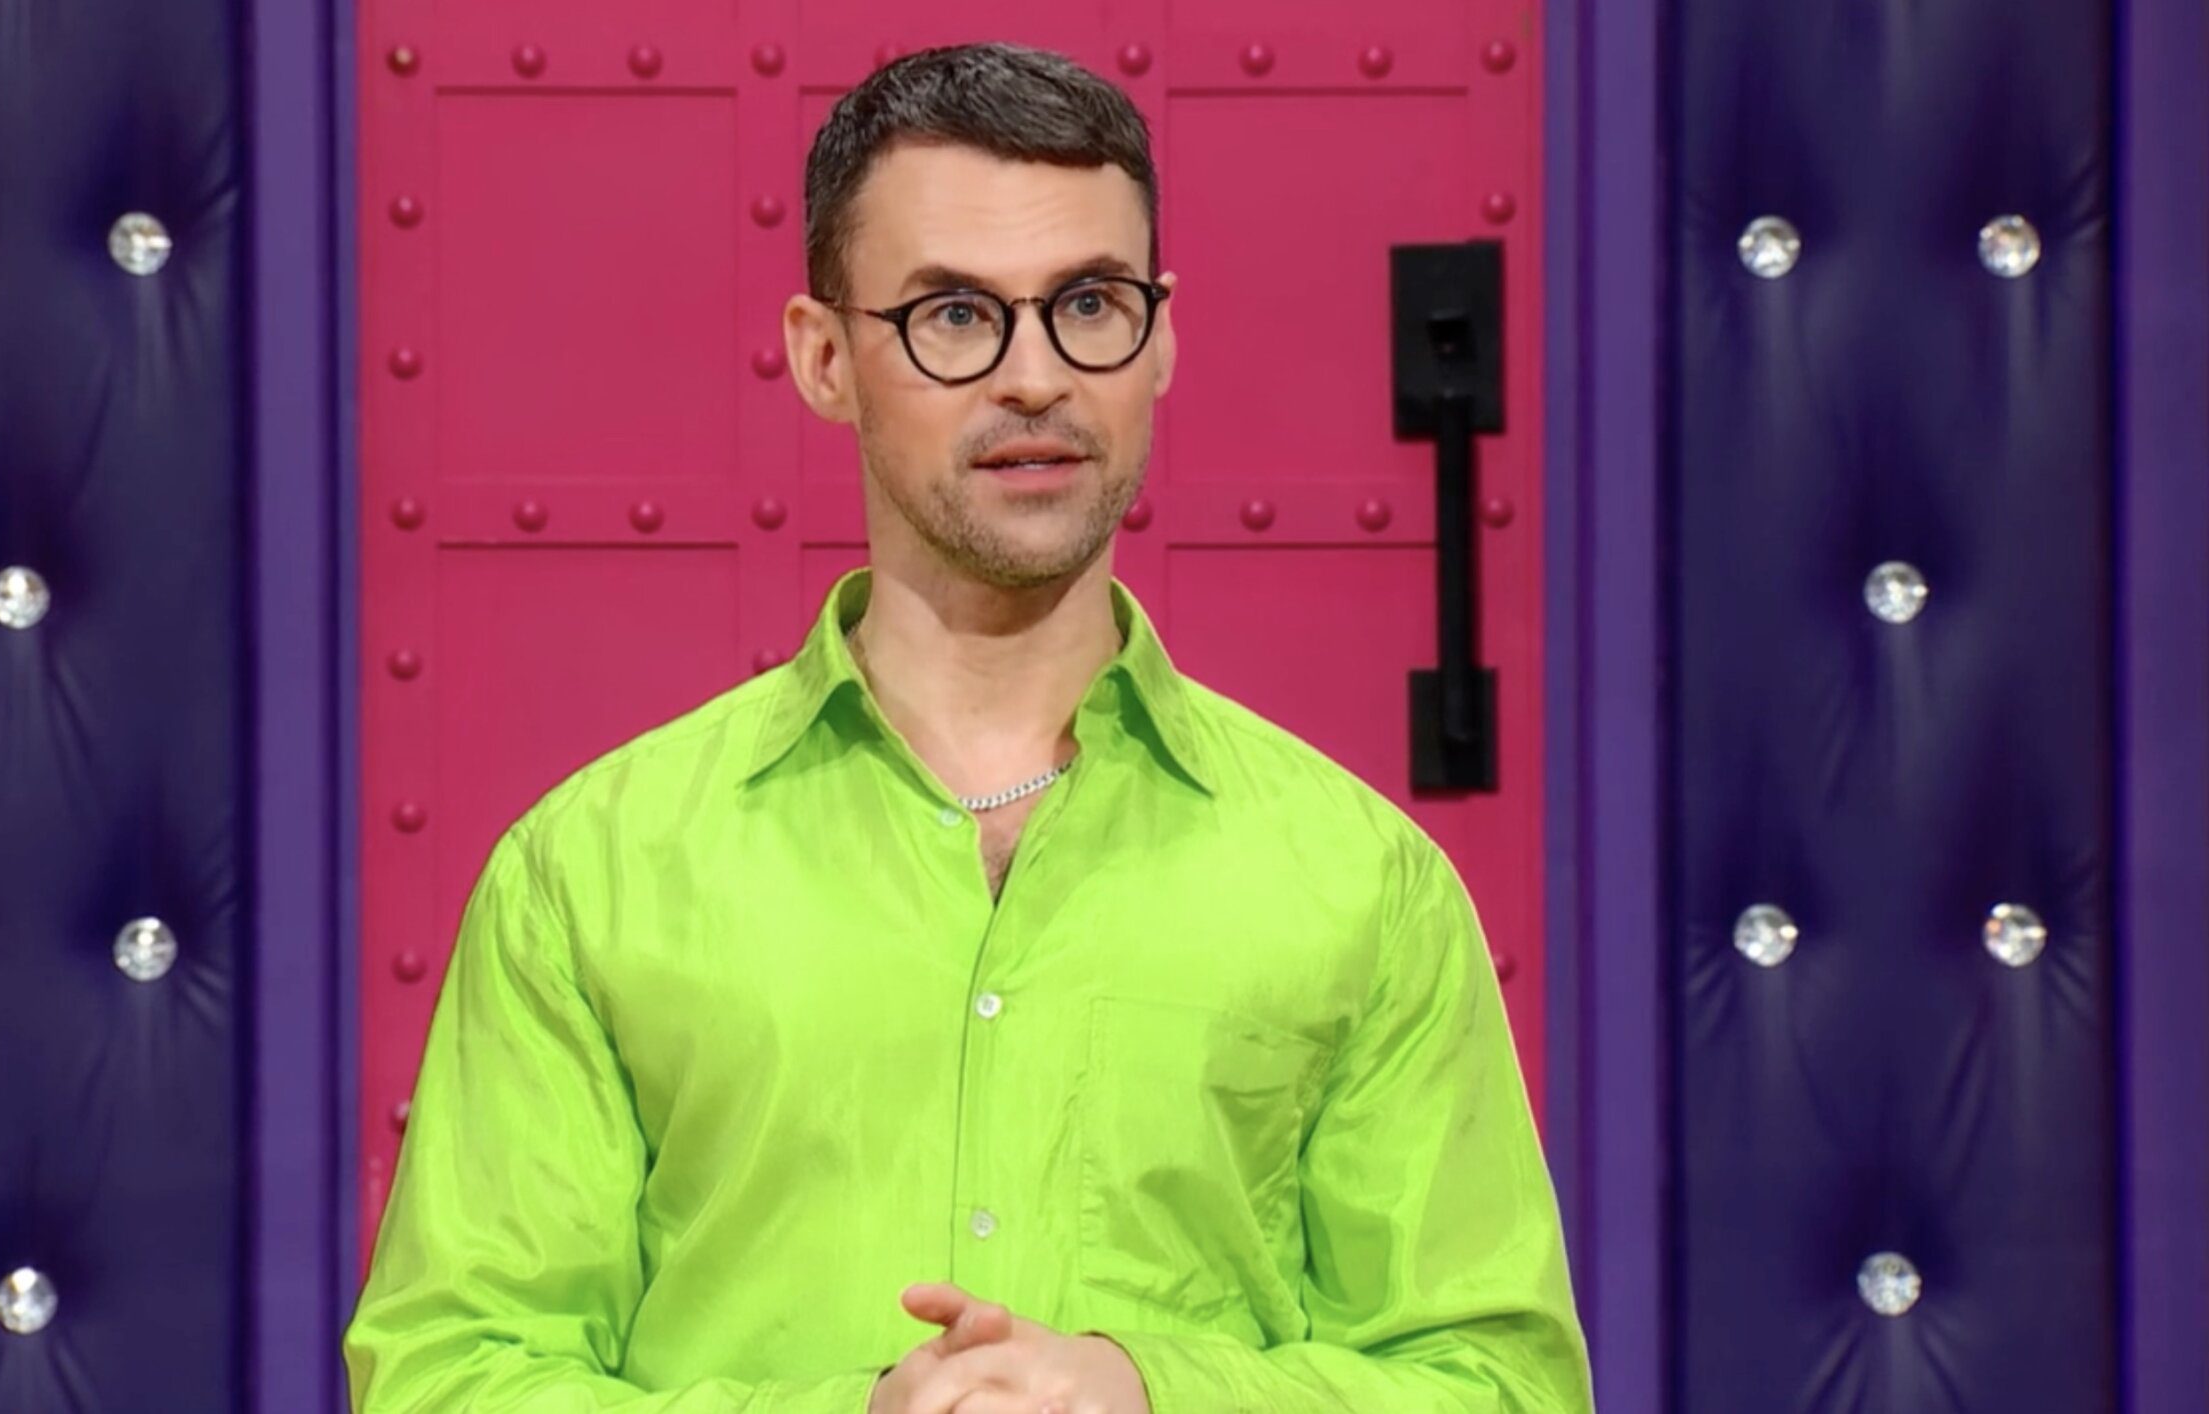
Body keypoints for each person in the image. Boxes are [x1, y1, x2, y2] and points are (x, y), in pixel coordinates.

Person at [343, 40, 1593, 1414]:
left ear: (1162, 340)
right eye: (953, 315)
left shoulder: (1363, 882)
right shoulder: (590, 875)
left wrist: (1148, 1392)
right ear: (826, 357)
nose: (1036, 377)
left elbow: (1502, 1383)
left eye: (1091, 304)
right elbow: (447, 1380)